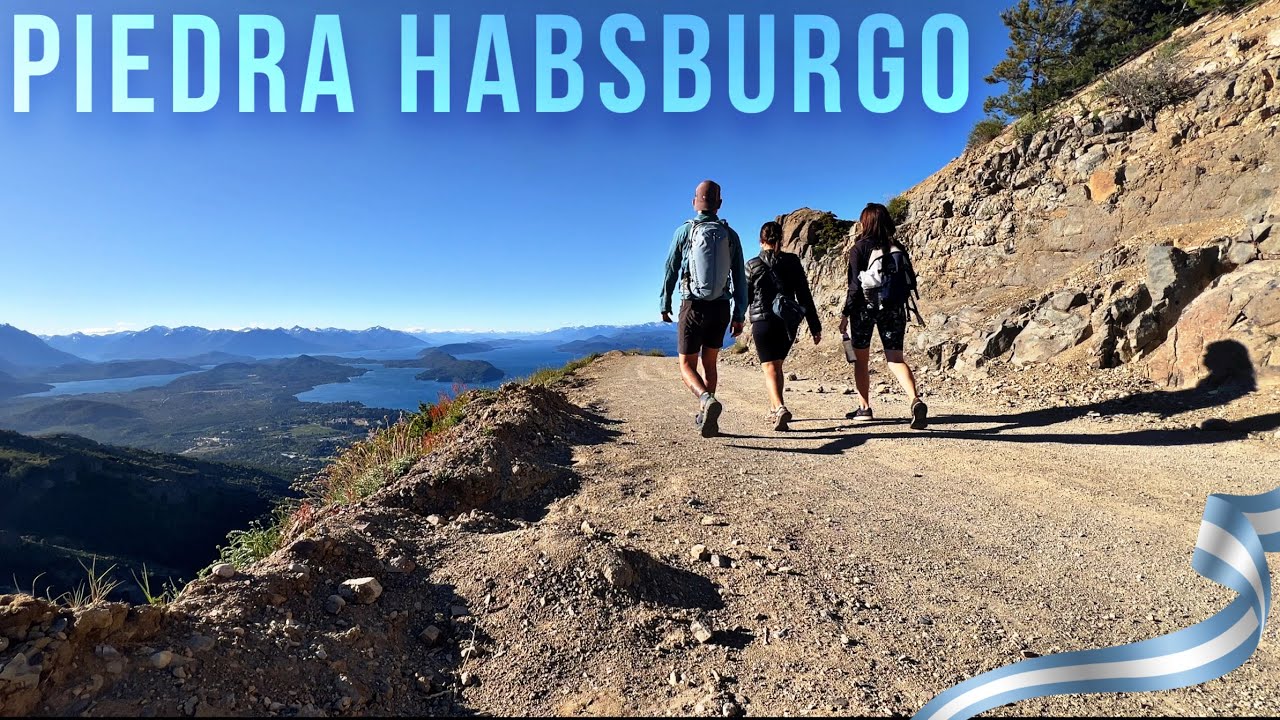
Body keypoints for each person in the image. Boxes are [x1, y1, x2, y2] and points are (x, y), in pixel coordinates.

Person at [660, 180, 747, 438]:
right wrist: (739, 314)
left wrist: (664, 303)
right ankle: (707, 416)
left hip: (693, 305)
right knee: (710, 364)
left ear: (694, 202)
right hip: (720, 307)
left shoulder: (684, 232)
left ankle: (706, 401)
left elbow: (670, 269)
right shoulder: (730, 235)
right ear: (719, 204)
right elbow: (740, 278)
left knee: (687, 365)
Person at [838, 203, 929, 430]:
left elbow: (854, 287)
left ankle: (864, 408)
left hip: (864, 309)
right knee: (895, 359)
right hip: (894, 307)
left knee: (861, 360)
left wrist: (845, 313)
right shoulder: (897, 247)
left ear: (865, 223)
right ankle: (914, 400)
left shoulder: (859, 248)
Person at [746, 221, 821, 431]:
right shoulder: (792, 261)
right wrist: (815, 326)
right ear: (781, 239)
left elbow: (746, 297)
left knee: (769, 368)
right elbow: (804, 295)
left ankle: (779, 407)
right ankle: (774, 410)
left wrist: (736, 319)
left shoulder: (752, 265)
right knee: (777, 366)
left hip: (763, 322)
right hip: (787, 322)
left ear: (761, 241)